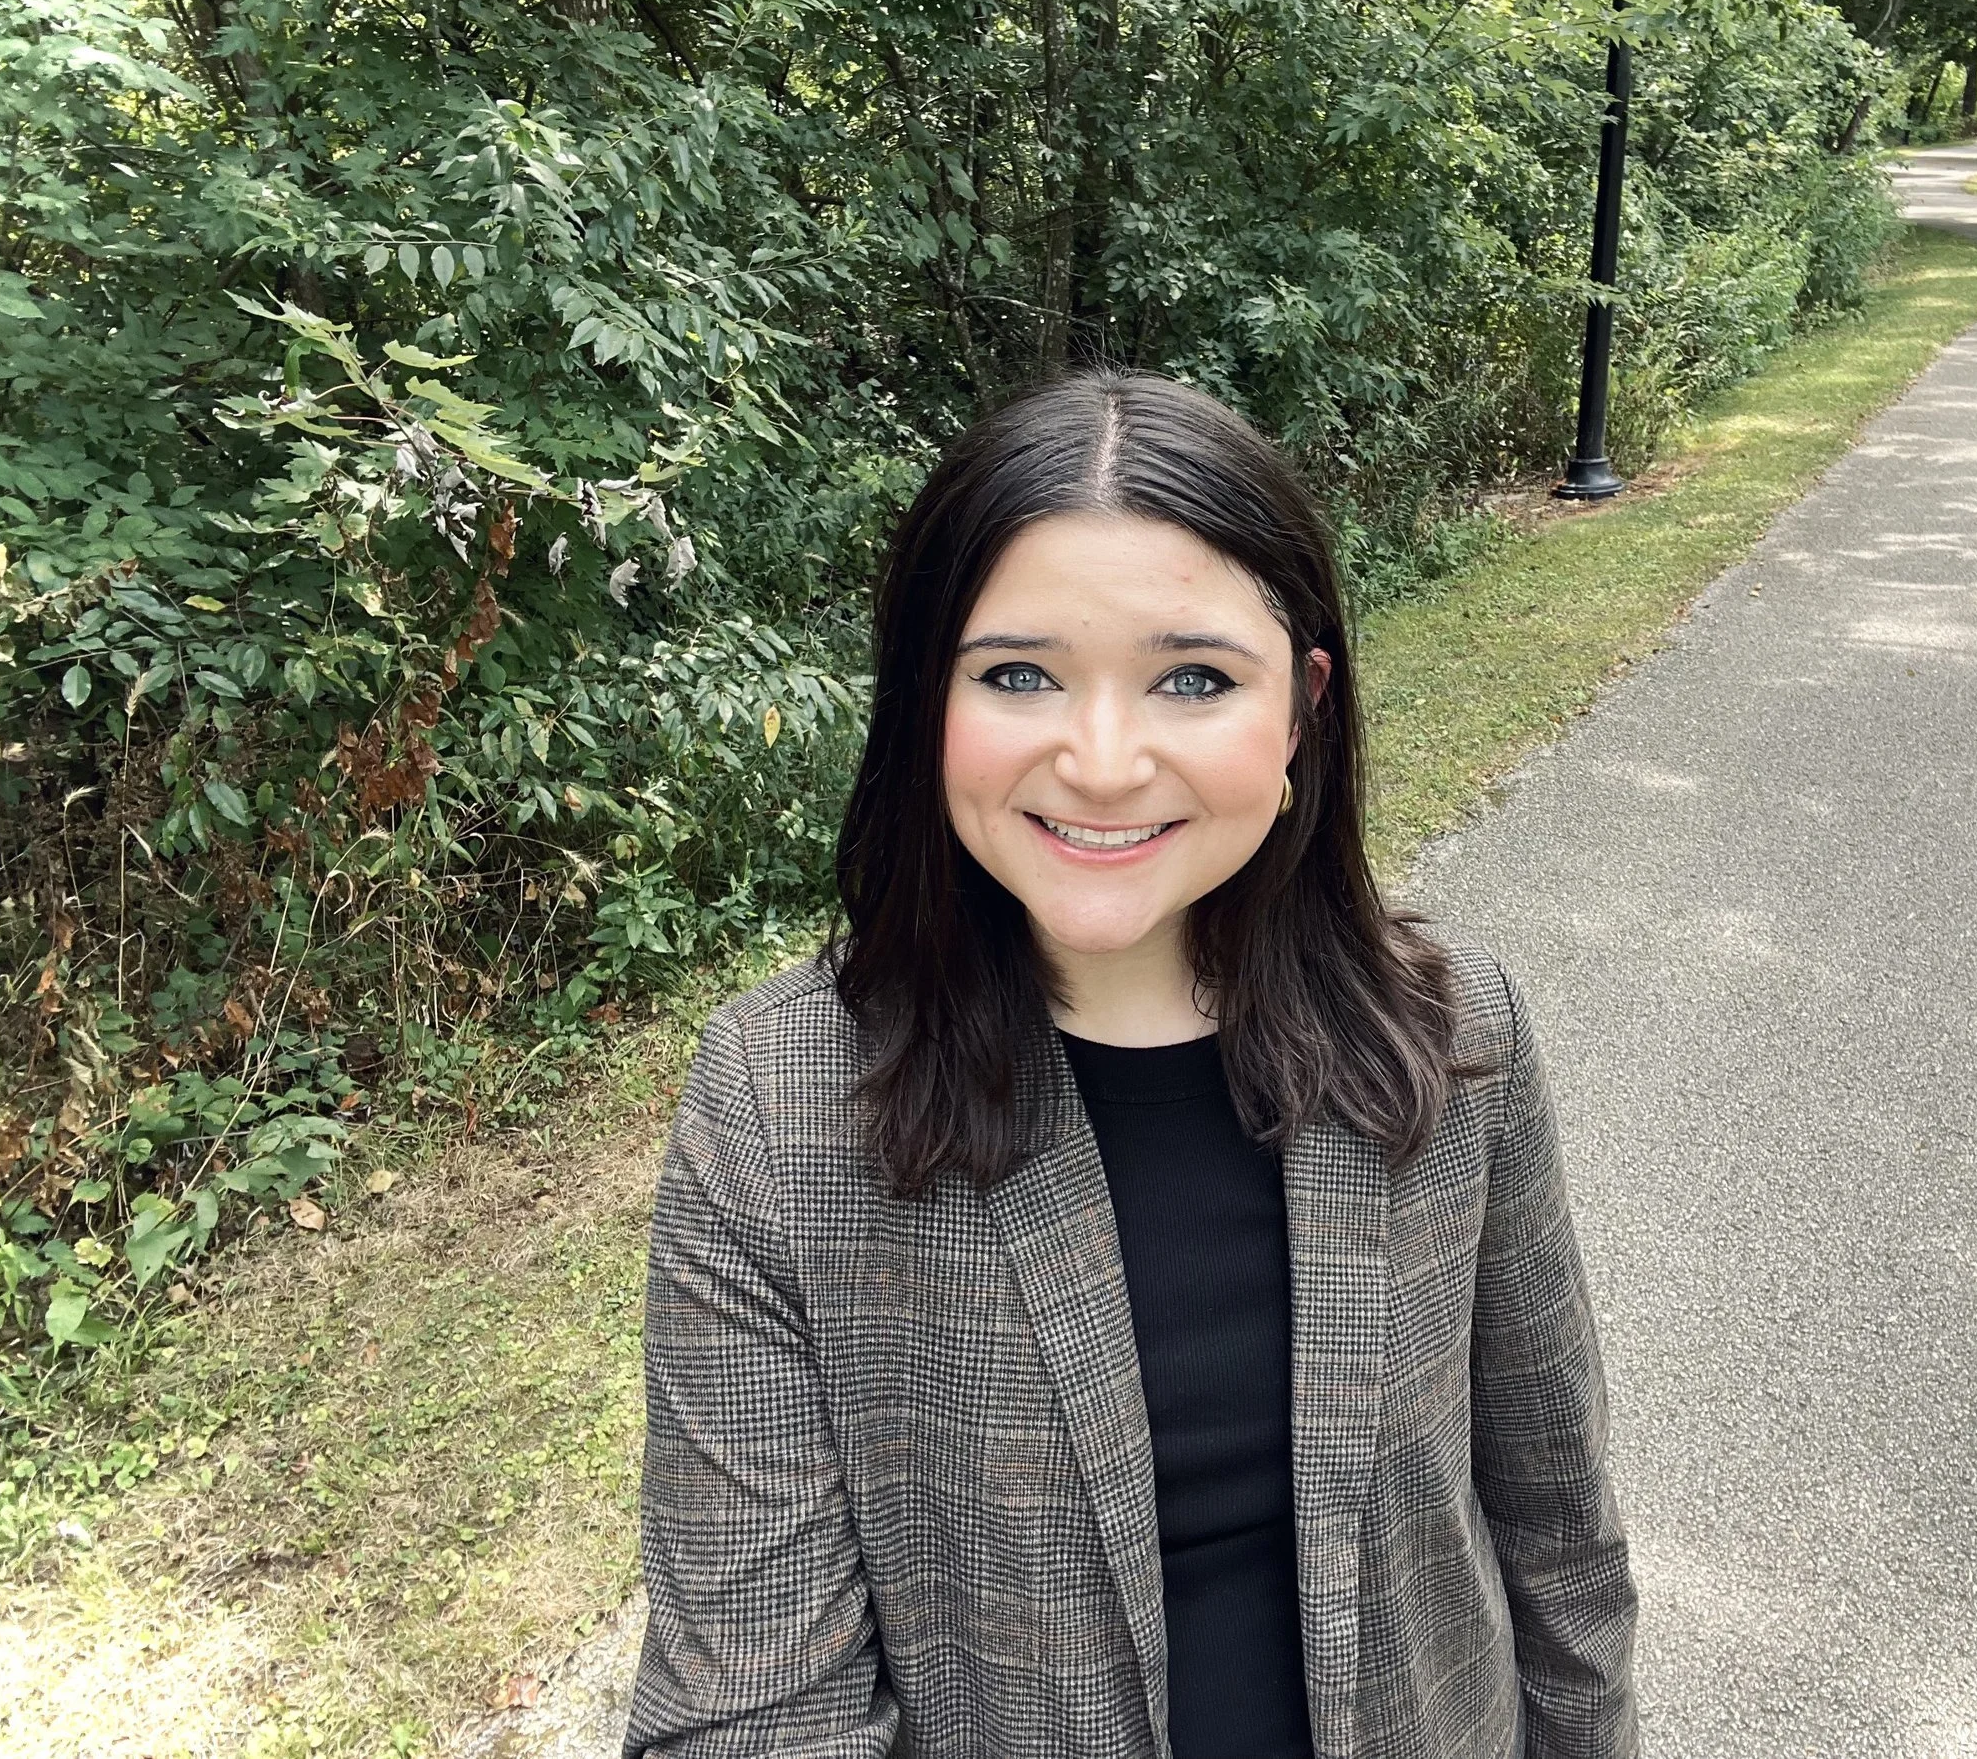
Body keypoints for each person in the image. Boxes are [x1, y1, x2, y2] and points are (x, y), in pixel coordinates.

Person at [624, 370, 1638, 1758]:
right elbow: (748, 1713)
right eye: (1019, 673)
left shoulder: (1455, 1040)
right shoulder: (779, 1107)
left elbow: (1560, 1544)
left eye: (1195, 679)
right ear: (929, 699)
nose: (1102, 760)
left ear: (1300, 712)